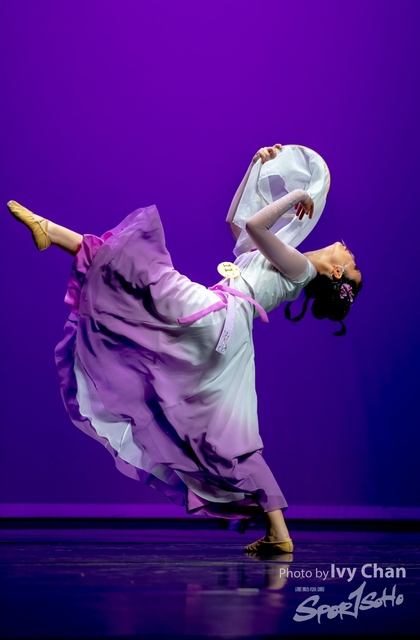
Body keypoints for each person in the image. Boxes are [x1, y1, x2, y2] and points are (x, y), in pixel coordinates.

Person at [7, 144, 362, 555]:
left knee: (140, 268)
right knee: (229, 435)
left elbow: (257, 226)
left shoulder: (300, 270)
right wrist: (256, 164)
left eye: (353, 265)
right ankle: (279, 534)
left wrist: (298, 195)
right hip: (225, 329)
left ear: (336, 272)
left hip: (218, 318)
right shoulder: (287, 259)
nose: (350, 253)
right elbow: (238, 224)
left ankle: (52, 232)